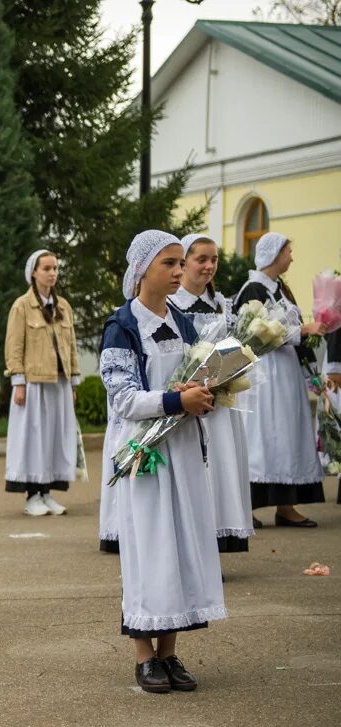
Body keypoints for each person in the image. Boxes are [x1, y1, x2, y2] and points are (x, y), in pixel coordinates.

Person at [100, 230, 226, 693]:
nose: (178, 273)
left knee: (180, 545)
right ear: (143, 269)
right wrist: (179, 400)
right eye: (169, 264)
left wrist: (212, 393)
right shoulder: (122, 325)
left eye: (180, 264)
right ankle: (142, 654)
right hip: (145, 453)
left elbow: (199, 375)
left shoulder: (184, 322)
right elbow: (124, 398)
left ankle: (170, 651)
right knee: (149, 547)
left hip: (185, 451)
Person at [234, 232, 325, 527]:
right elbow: (250, 334)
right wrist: (302, 331)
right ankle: (245, 507)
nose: (291, 257)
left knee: (286, 435)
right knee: (260, 437)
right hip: (264, 376)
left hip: (285, 374)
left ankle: (286, 505)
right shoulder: (253, 289)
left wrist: (309, 364)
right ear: (274, 255)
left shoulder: (280, 288)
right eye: (288, 252)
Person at [170, 234, 253, 553]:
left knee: (221, 466)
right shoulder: (173, 304)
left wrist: (231, 371)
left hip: (220, 400)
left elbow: (237, 348)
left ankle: (219, 534)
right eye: (200, 259)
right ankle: (193, 540)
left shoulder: (223, 305)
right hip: (189, 399)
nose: (208, 266)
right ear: (184, 262)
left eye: (213, 259)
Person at [3, 249, 81, 516]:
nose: (52, 273)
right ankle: (32, 494)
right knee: (32, 439)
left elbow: (71, 347)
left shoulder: (63, 307)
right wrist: (19, 381)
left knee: (53, 438)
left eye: (55, 268)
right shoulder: (22, 306)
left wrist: (73, 382)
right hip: (33, 383)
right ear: (33, 273)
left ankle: (47, 492)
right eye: (46, 268)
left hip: (58, 382)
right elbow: (14, 346)